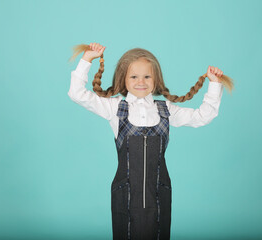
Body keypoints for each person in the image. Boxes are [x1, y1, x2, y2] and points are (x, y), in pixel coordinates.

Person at [67, 43, 234, 240]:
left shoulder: (166, 110)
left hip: (159, 191)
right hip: (125, 192)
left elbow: (202, 116)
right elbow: (77, 94)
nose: (141, 82)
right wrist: (87, 59)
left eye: (147, 76)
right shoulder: (114, 108)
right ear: (124, 79)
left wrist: (214, 84)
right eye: (134, 76)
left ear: (156, 79)